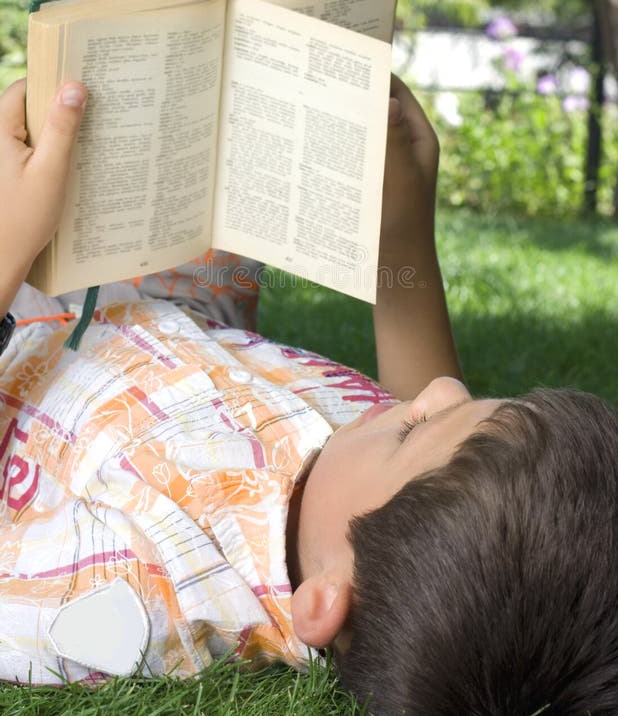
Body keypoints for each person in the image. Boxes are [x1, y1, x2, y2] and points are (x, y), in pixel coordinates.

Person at [0, 75, 617, 714]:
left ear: (324, 601)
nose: (440, 387)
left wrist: (7, 244)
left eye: (415, 427)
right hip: (170, 314)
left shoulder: (139, 593)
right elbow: (440, 448)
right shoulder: (364, 492)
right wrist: (399, 233)